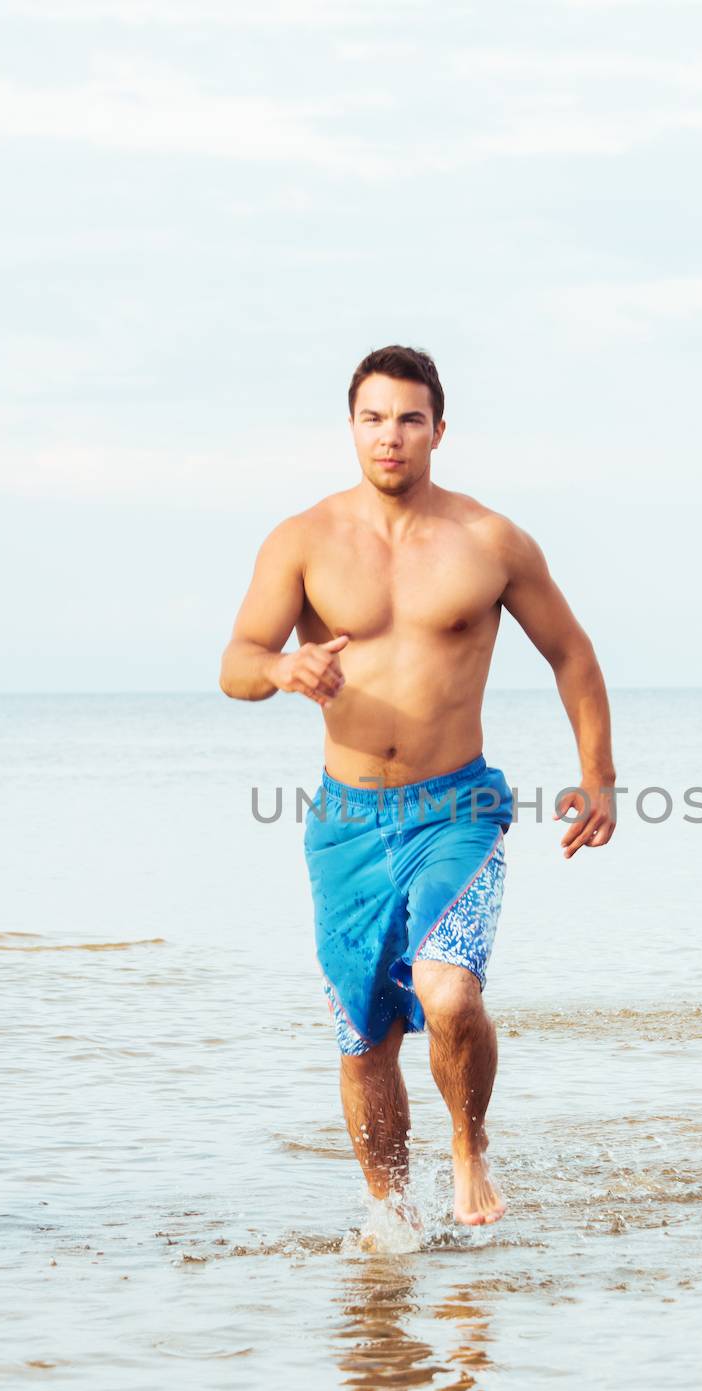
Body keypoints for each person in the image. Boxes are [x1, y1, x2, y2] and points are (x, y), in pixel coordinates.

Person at [219, 345, 616, 1227]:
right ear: (350, 427)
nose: (389, 436)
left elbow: (571, 654)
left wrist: (599, 778)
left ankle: (468, 1146)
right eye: (372, 418)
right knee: (365, 1037)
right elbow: (236, 664)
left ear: (438, 428)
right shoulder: (304, 539)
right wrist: (283, 669)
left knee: (449, 992)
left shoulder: (489, 541)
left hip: (457, 807)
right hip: (347, 820)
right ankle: (391, 1218)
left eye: (407, 418)